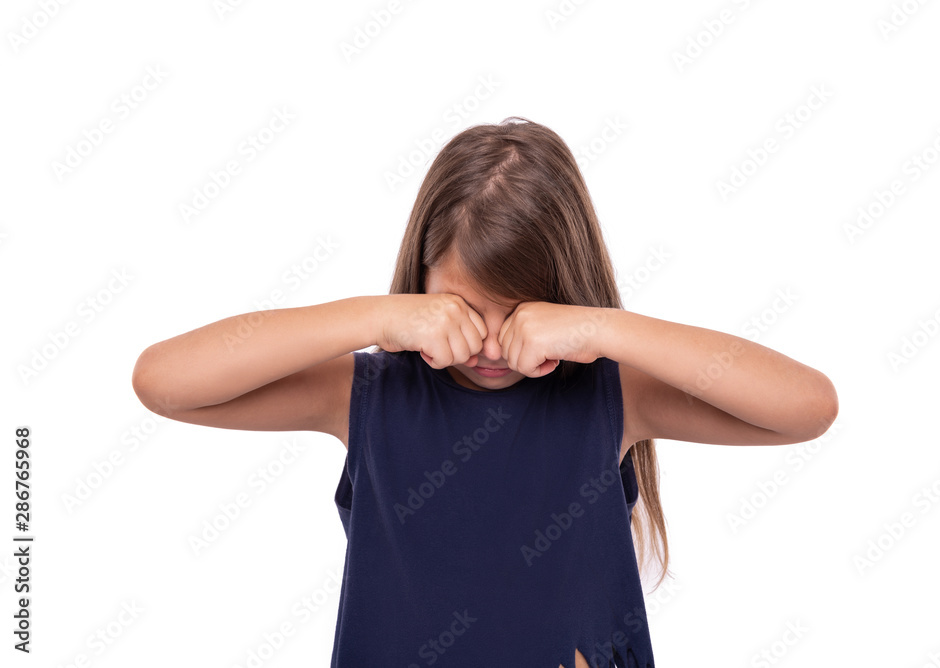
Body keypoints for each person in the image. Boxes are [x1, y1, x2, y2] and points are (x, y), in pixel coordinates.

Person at [132, 117, 838, 667]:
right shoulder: (366, 394)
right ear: (424, 281)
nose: (495, 343)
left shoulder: (613, 396)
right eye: (466, 307)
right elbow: (163, 382)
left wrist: (602, 327)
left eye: (523, 309)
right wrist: (376, 316)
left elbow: (807, 405)